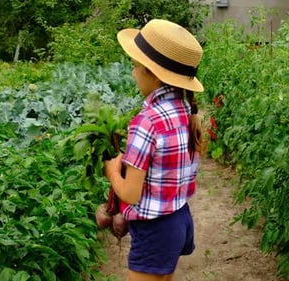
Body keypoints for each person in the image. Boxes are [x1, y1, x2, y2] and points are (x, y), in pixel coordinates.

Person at [103, 19, 204, 281]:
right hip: (179, 219)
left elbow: (130, 193)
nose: (133, 72)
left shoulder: (147, 121)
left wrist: (112, 171)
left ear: (154, 74)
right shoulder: (186, 111)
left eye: (136, 66)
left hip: (154, 229)